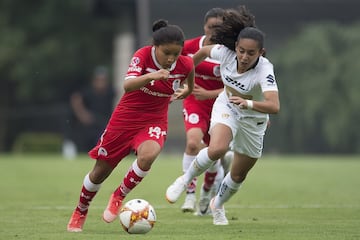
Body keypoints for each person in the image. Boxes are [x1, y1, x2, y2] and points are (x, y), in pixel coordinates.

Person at [67, 19, 194, 232]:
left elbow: (189, 81)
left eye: (176, 53)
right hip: (125, 118)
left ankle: (119, 196)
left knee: (148, 155)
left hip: (155, 119)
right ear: (155, 47)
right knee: (99, 172)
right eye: (166, 52)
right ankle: (81, 210)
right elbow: (127, 85)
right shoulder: (143, 55)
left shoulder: (186, 64)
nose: (171, 58)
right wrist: (153, 75)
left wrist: (187, 92)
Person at [166, 6, 280, 226]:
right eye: (241, 50)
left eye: (251, 53)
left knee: (238, 176)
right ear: (235, 47)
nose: (245, 57)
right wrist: (187, 83)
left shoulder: (265, 70)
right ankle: (184, 180)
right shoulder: (223, 52)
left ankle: (216, 205)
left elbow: (274, 106)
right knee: (217, 149)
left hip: (254, 122)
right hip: (227, 107)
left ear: (261, 53)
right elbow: (197, 55)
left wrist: (248, 102)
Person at [179, 7, 232, 215]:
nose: (214, 31)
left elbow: (235, 86)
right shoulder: (191, 47)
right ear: (204, 27)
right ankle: (190, 194)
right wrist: (183, 87)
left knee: (214, 154)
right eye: (211, 27)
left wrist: (210, 94)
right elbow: (178, 68)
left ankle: (206, 195)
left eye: (219, 28)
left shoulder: (230, 52)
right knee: (193, 142)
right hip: (195, 101)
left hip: (220, 105)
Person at [63, 66, 114, 158]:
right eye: (99, 80)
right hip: (89, 125)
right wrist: (82, 115)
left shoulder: (110, 92)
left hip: (104, 124)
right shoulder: (87, 91)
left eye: (103, 80)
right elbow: (75, 99)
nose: (101, 83)